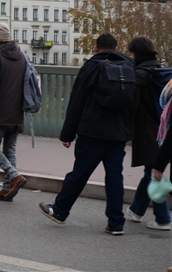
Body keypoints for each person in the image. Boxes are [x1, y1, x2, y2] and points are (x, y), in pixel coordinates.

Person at [39, 33, 135, 235]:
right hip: (118, 134)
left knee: (79, 173)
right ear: (116, 48)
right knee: (115, 177)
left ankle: (60, 210)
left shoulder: (92, 66)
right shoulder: (129, 67)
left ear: (95, 47)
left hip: (93, 131)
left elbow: (77, 101)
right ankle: (116, 222)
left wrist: (67, 134)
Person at [124, 36, 170, 230]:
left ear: (136, 53)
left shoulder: (139, 74)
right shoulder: (164, 71)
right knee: (150, 169)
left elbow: (132, 106)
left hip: (146, 129)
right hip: (164, 128)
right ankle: (136, 210)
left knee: (153, 171)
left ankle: (163, 218)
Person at [0, 23, 29, 201]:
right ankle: (8, 188)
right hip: (17, 110)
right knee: (9, 151)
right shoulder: (22, 56)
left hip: (0, 110)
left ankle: (14, 176)